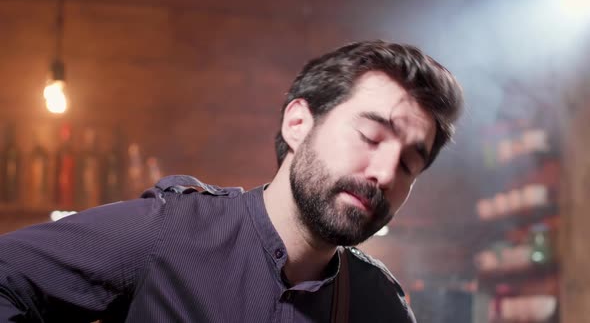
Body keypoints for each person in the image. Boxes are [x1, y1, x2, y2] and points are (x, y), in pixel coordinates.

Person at [0, 40, 463, 322]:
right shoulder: (170, 229)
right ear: (298, 124)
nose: (384, 173)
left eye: (408, 165)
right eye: (370, 135)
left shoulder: (379, 305)